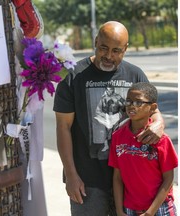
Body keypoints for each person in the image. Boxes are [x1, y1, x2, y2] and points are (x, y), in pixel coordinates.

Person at [53, 21, 164, 215]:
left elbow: (153, 111)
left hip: (131, 179)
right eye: (103, 48)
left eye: (116, 50)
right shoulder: (74, 77)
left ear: (125, 49)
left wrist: (159, 123)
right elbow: (63, 127)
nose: (109, 56)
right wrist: (71, 175)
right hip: (88, 182)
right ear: (96, 42)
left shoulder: (135, 75)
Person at [108, 82, 178, 216]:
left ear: (152, 108)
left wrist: (150, 213)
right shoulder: (118, 137)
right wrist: (119, 210)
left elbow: (168, 179)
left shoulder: (161, 140)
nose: (131, 106)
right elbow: (117, 177)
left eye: (138, 102)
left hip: (160, 208)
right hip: (130, 208)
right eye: (129, 101)